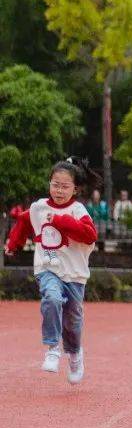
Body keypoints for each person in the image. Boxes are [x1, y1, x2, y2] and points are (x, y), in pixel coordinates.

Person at [4, 157, 99, 384]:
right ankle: (52, 348)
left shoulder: (78, 210)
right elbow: (23, 223)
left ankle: (74, 353)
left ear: (74, 189)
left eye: (65, 186)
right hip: (48, 268)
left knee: (73, 321)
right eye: (55, 184)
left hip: (74, 274)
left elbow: (90, 235)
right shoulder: (39, 207)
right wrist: (13, 244)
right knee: (51, 297)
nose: (59, 190)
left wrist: (60, 220)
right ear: (49, 184)